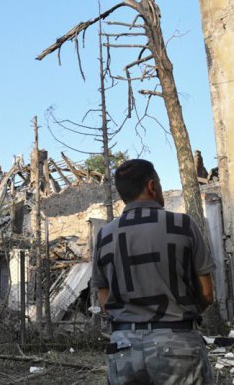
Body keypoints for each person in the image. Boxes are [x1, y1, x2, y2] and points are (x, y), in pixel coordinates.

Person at [92, 159, 215, 385]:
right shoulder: (183, 225)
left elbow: (104, 300)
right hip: (178, 345)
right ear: (152, 186)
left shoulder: (104, 235)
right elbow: (207, 293)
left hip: (122, 349)